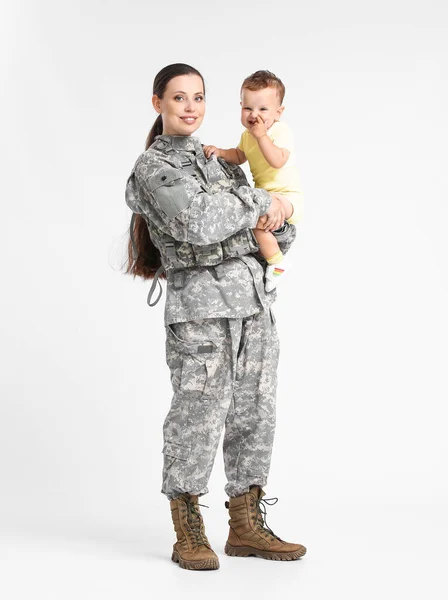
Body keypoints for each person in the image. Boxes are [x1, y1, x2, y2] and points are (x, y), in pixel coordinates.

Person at [125, 63, 306, 571]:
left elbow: (280, 233)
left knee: (255, 411)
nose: (190, 107)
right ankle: (189, 529)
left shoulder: (223, 163)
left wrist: (274, 212)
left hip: (253, 301)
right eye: (179, 97)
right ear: (157, 102)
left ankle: (246, 525)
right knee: (198, 415)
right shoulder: (153, 168)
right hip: (200, 308)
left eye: (199, 97)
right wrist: (260, 202)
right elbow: (199, 222)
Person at [204, 70, 304, 292]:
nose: (254, 115)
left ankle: (278, 263)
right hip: (265, 197)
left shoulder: (280, 130)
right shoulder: (247, 136)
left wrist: (262, 136)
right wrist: (220, 152)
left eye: (263, 109)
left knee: (256, 219)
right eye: (247, 108)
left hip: (287, 197)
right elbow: (239, 156)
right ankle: (274, 261)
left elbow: (277, 160)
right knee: (253, 222)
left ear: (278, 112)